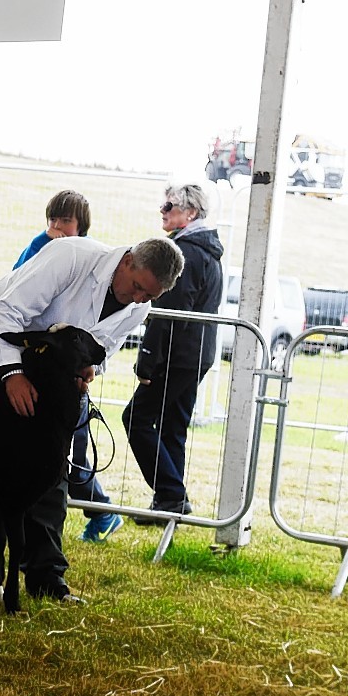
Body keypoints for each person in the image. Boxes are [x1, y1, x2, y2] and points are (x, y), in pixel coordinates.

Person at [0, 236, 184, 603]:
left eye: (149, 296)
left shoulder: (139, 306)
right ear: (127, 261)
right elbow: (7, 312)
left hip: (52, 384)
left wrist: (90, 368)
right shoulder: (70, 257)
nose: (139, 299)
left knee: (50, 468)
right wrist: (11, 373)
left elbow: (102, 348)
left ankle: (47, 577)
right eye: (138, 287)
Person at [13, 191, 124, 545]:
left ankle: (101, 510)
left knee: (64, 456)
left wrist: (90, 368)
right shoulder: (40, 247)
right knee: (50, 456)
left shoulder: (92, 262)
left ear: (82, 226)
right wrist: (40, 244)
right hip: (36, 375)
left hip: (67, 384)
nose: (56, 227)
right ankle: (100, 510)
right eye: (52, 220)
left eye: (65, 221)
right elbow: (16, 279)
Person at [124, 183, 225, 522]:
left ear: (190, 213)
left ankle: (171, 494)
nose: (162, 211)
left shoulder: (186, 254)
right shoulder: (205, 251)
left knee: (136, 419)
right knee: (171, 427)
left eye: (169, 206)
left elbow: (169, 313)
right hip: (196, 354)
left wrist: (148, 360)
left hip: (178, 355)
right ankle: (168, 500)